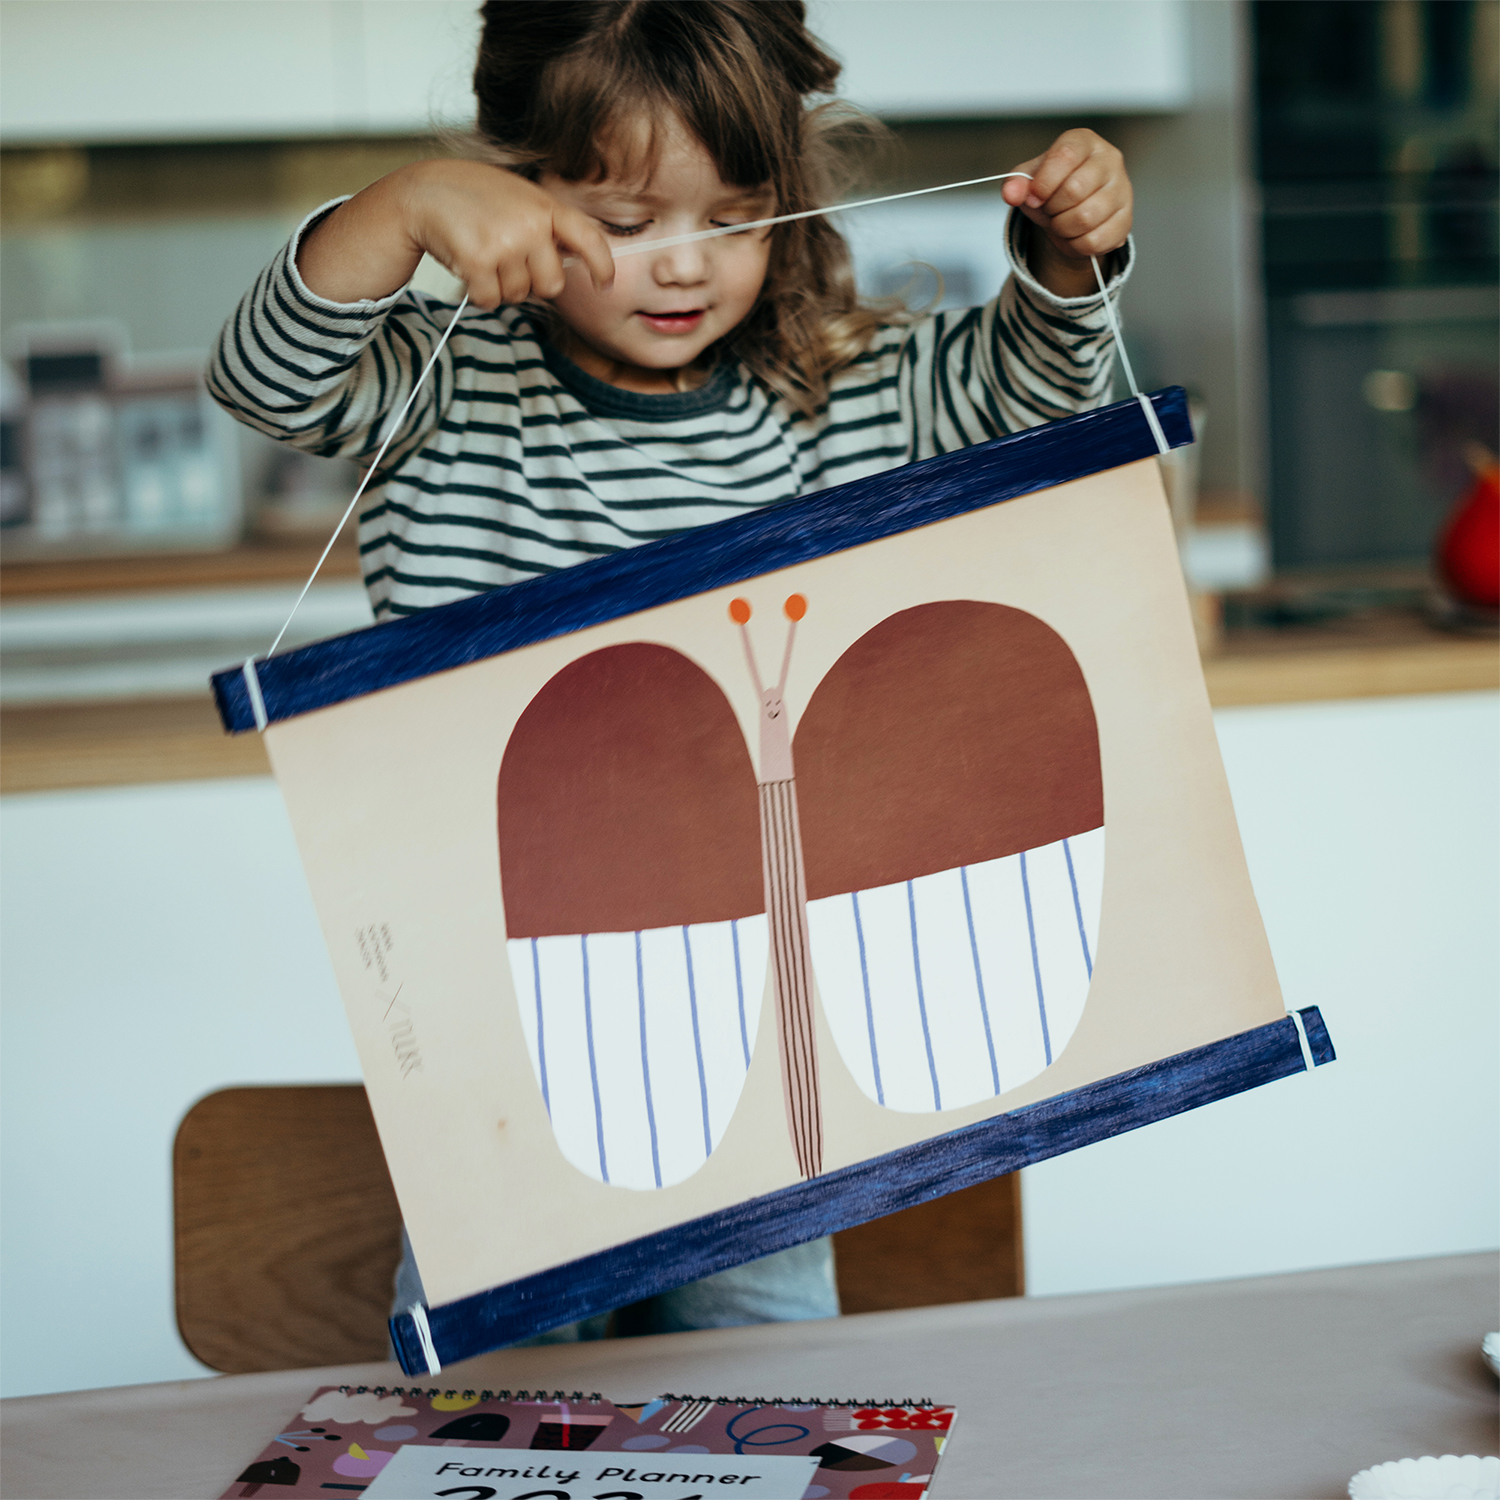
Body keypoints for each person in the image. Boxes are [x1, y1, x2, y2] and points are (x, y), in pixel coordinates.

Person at [208, 0, 1136, 1342]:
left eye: (732, 214)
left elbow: (1043, 408)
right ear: (518, 190)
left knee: (766, 1383)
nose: (681, 266)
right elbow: (262, 380)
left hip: (774, 1044)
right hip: (502, 1039)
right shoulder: (440, 388)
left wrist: (1063, 257)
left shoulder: (849, 385)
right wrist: (402, 208)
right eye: (627, 223)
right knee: (496, 1403)